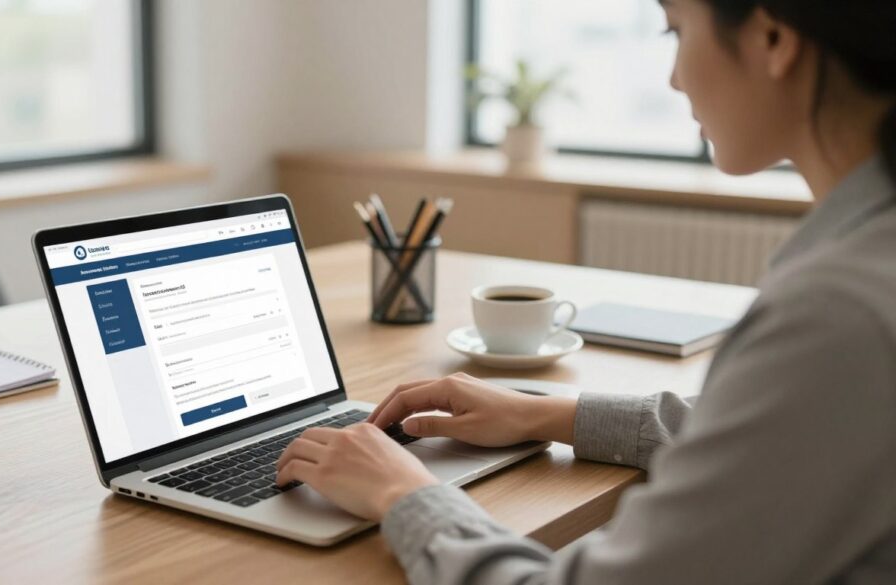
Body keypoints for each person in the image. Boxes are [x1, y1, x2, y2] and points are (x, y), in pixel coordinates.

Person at [275, 0, 896, 582]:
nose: (676, 79)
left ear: (773, 37)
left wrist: (403, 494)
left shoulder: (837, 315)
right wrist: (544, 413)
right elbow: (775, 440)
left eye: (677, 31)